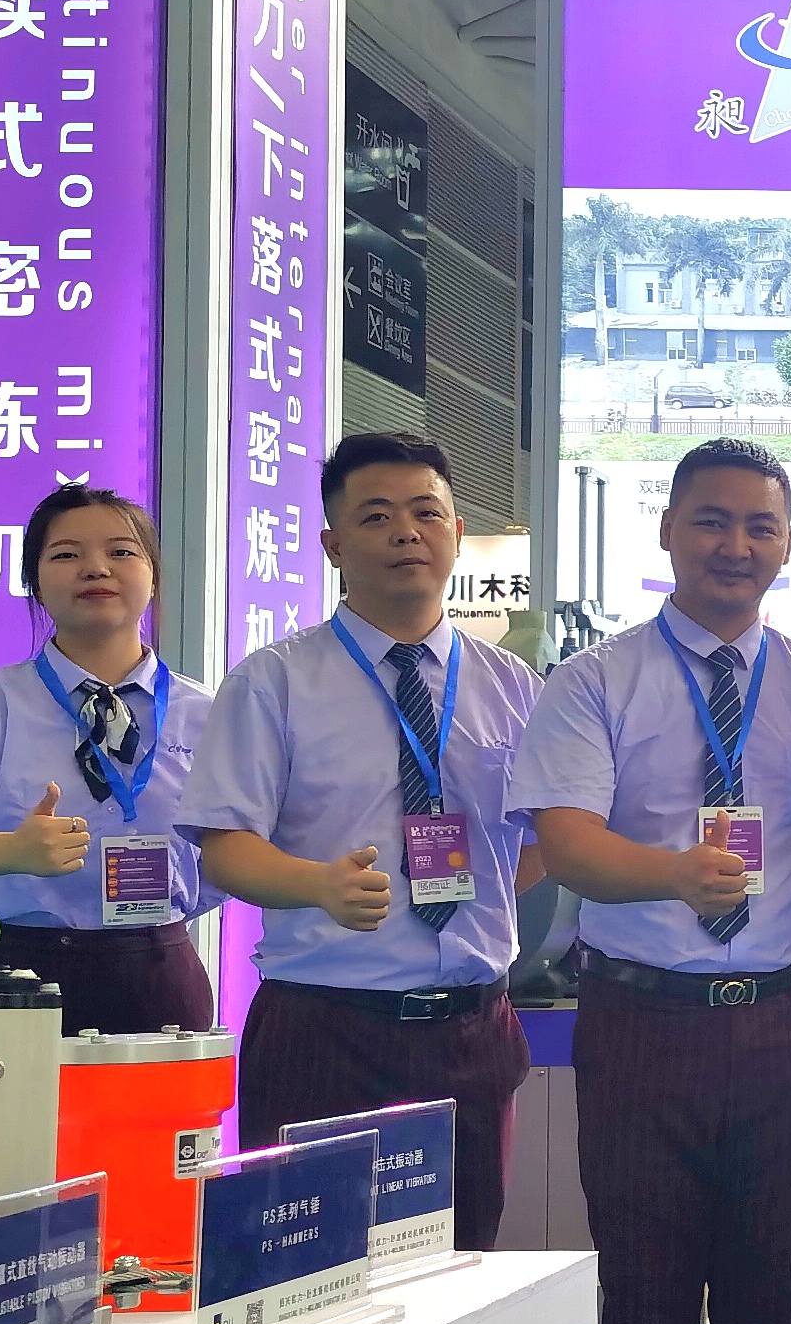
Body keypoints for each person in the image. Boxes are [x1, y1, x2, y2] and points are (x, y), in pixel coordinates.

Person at [511, 438, 791, 1324]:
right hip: (644, 1021)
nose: (735, 545)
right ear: (668, 532)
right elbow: (567, 843)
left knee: (774, 1299)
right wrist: (675, 873)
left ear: (788, 544)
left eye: (760, 526)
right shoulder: (595, 681)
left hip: (790, 1021)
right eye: (712, 521)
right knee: (648, 1302)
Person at [174, 431, 538, 1248]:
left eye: (426, 513)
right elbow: (224, 847)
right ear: (334, 545)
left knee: (460, 1279)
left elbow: (544, 836)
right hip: (326, 1030)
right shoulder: (274, 681)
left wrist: (474, 893)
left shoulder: (513, 686)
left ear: (455, 533)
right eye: (376, 517)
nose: (406, 532)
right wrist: (318, 886)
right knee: (308, 1278)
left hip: (472, 1032)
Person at [0, 484, 221, 1035]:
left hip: (158, 970)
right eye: (66, 554)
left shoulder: (206, 713)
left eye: (121, 551)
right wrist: (10, 851)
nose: (96, 569)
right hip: (9, 969)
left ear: (154, 576)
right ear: (35, 583)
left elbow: (234, 847)